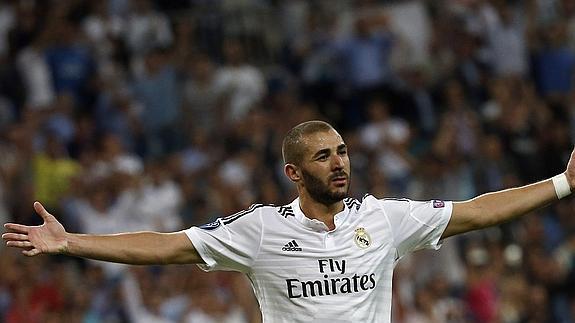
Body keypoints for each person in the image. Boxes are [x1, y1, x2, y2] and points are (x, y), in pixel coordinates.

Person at [2, 120, 574, 322]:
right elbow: (168, 246)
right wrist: (71, 242)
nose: (340, 162)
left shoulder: (384, 218)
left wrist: (564, 183)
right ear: (294, 173)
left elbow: (475, 211)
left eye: (343, 151)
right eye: (324, 156)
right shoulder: (260, 230)